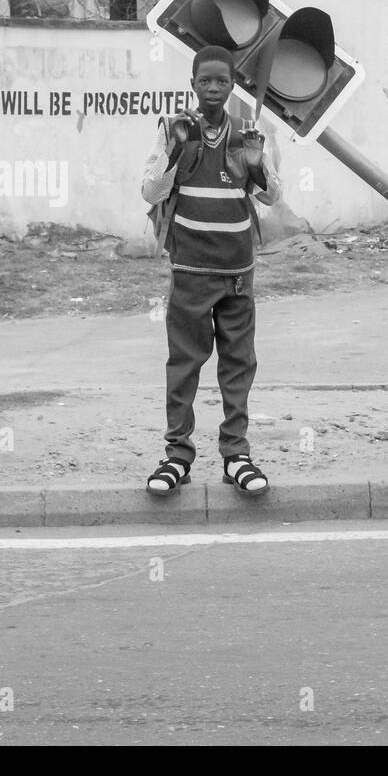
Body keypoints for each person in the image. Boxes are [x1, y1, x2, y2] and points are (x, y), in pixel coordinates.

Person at [141, 45, 281, 498]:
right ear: (193, 84)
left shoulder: (248, 132)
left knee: (238, 363)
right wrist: (177, 153)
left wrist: (257, 162)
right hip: (189, 268)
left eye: (222, 81)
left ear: (233, 84)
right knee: (184, 364)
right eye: (206, 81)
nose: (214, 89)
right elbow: (149, 191)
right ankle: (177, 455)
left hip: (237, 270)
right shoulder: (173, 129)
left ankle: (236, 455)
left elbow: (271, 197)